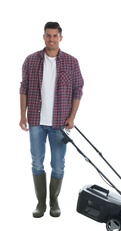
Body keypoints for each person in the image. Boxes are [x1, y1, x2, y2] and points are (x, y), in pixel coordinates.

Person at [19, 22, 84, 218]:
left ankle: (54, 201)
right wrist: (22, 115)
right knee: (37, 163)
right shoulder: (31, 61)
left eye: (55, 36)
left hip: (60, 123)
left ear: (60, 38)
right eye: (48, 35)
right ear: (43, 37)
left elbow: (77, 90)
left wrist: (72, 117)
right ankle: (41, 203)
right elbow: (24, 89)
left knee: (58, 164)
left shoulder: (71, 62)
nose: (51, 39)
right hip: (37, 121)